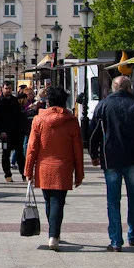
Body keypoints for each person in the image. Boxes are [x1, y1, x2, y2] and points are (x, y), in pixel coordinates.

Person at [89, 76, 134, 251]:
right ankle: (133, 235)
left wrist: (94, 153)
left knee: (113, 199)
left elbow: (93, 132)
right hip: (133, 157)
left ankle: (116, 240)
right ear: (129, 88)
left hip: (110, 157)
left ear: (113, 88)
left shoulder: (103, 105)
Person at [25, 87, 84, 251]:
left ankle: (53, 233)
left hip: (44, 166)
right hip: (63, 167)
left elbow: (31, 148)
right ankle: (54, 234)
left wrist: (28, 170)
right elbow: (77, 150)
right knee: (58, 201)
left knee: (48, 200)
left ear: (48, 102)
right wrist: (79, 173)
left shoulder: (38, 120)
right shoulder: (71, 121)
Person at [0, 83, 26, 180]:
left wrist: (22, 130)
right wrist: (0, 132)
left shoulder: (14, 100)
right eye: (6, 88)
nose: (8, 90)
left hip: (17, 133)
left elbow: (19, 116)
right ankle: (8, 174)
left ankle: (24, 174)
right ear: (2, 89)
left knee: (20, 155)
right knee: (5, 154)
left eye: (10, 88)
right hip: (5, 134)